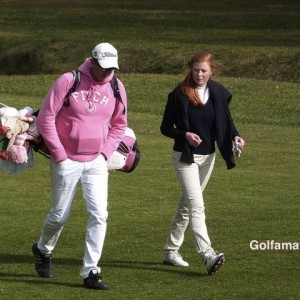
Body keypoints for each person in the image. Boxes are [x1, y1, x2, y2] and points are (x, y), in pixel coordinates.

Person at [32, 42, 127, 290]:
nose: (108, 73)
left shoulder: (116, 86)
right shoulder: (69, 80)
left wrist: (105, 153)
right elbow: (45, 117)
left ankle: (91, 271)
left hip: (96, 160)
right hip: (66, 159)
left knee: (99, 214)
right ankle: (43, 248)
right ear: (93, 62)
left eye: (112, 68)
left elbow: (119, 124)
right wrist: (59, 153)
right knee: (59, 216)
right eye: (104, 68)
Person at [160, 51, 245, 275]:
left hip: (208, 157)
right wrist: (185, 135)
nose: (199, 74)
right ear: (191, 69)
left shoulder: (217, 91)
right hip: (185, 158)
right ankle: (207, 254)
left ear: (211, 71)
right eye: (196, 70)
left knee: (186, 207)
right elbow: (165, 128)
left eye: (203, 70)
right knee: (196, 206)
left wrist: (236, 136)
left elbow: (227, 120)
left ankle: (170, 250)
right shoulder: (179, 94)